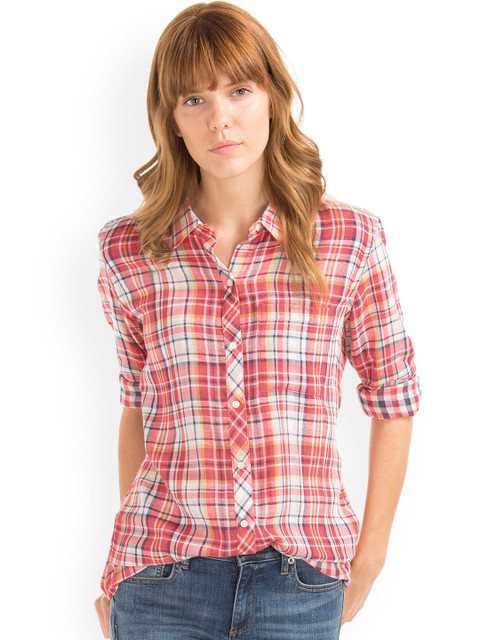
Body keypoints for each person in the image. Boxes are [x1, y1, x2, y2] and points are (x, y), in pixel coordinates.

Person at [93, 2, 421, 638]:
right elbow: (137, 405)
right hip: (161, 582)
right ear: (171, 120)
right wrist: (127, 568)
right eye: (194, 99)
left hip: (300, 581)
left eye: (239, 90)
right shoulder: (129, 250)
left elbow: (394, 397)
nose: (220, 119)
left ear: (273, 97)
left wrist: (371, 557)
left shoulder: (349, 240)